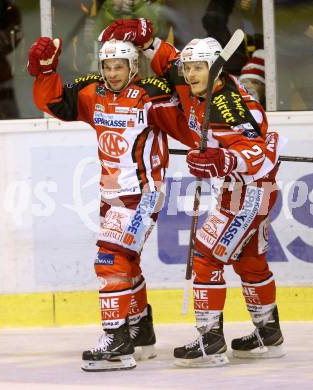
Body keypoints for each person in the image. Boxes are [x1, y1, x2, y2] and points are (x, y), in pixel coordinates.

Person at [101, 18, 285, 367]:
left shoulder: (226, 104)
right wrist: (149, 42)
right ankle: (268, 334)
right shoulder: (205, 89)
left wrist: (221, 159)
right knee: (250, 260)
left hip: (246, 194)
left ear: (215, 67)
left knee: (205, 254)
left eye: (199, 67)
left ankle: (210, 341)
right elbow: (170, 65)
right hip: (244, 192)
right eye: (189, 67)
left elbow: (261, 157)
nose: (190, 74)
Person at [27, 28, 195, 371]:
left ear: (133, 66)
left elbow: (187, 128)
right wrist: (46, 72)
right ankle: (141, 332)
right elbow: (55, 103)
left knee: (110, 260)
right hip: (112, 196)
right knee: (126, 263)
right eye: (108, 66)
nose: (112, 73)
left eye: (119, 66)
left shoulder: (151, 95)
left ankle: (117, 340)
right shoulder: (93, 91)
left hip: (144, 195)